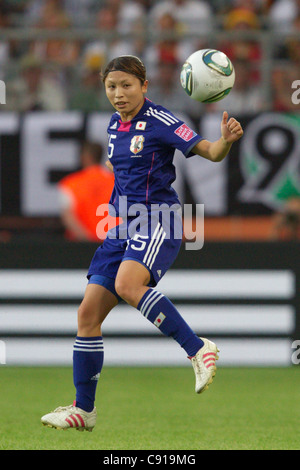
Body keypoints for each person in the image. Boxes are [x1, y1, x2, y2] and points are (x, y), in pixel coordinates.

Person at [41, 55, 243, 431]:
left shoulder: (162, 121)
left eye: (126, 85)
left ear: (145, 86)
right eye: (111, 87)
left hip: (158, 220)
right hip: (121, 228)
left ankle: (198, 349)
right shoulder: (113, 126)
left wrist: (225, 141)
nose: (118, 94)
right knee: (87, 315)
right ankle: (84, 411)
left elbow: (211, 153)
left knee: (128, 285)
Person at [57, 141, 116, 242]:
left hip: (81, 246)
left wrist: (87, 240)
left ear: (83, 157)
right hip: (111, 244)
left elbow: (68, 216)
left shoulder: (70, 183)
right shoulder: (116, 181)